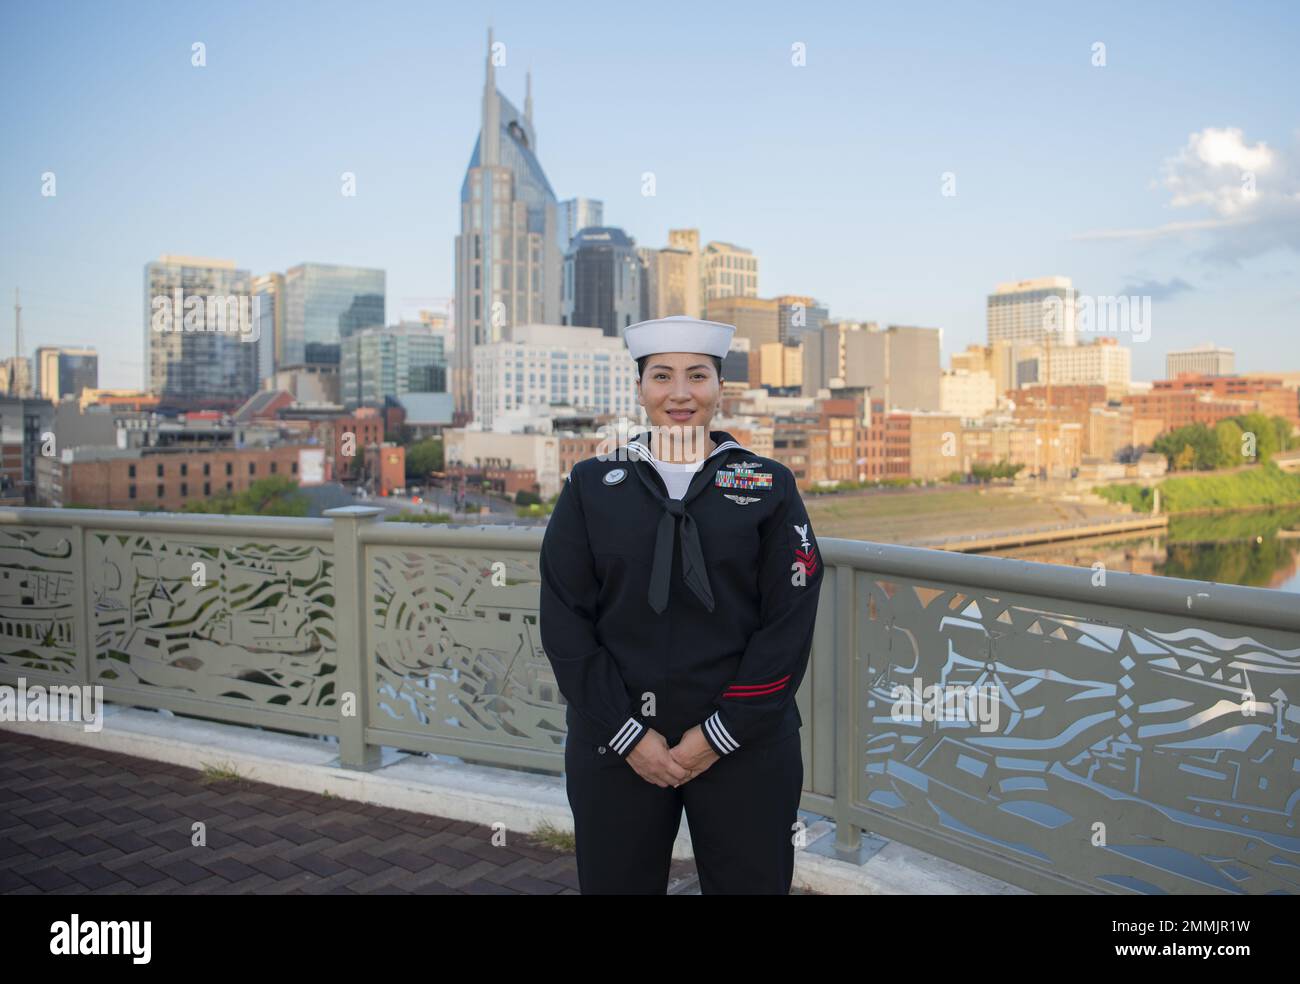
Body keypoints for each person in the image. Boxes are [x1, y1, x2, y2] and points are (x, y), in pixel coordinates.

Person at [538, 315, 825, 894]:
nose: (680, 393)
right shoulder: (592, 484)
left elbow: (788, 620)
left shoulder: (768, 484)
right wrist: (627, 733)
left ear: (720, 386)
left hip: (747, 743)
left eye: (697, 376)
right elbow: (565, 617)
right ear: (640, 387)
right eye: (661, 376)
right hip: (615, 743)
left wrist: (718, 734)